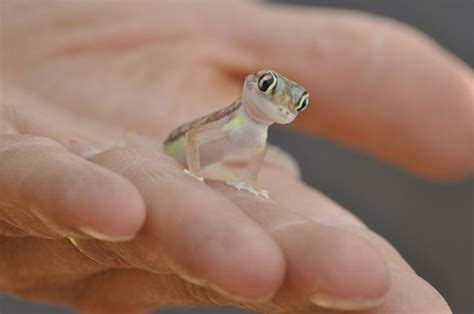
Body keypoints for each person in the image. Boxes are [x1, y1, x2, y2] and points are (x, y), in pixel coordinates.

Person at [0, 1, 471, 313]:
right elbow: (193, 143)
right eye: (269, 88)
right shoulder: (227, 122)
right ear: (251, 86)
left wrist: (245, 183)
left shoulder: (257, 137)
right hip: (170, 144)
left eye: (296, 104)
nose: (279, 103)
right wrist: (197, 178)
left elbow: (250, 161)